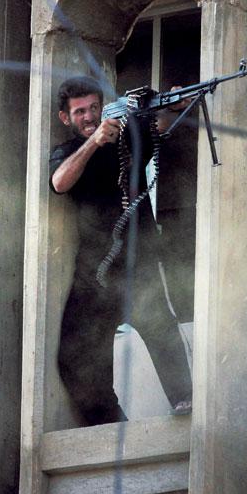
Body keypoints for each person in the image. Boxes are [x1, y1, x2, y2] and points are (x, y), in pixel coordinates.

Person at [50, 76, 192, 426]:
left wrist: (174, 102)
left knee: (160, 327)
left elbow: (160, 125)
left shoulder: (127, 138)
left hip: (137, 258)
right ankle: (108, 423)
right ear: (65, 118)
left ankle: (185, 398)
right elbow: (59, 182)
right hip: (96, 271)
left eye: (94, 108)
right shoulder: (68, 151)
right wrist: (94, 143)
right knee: (73, 354)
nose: (89, 116)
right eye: (80, 112)